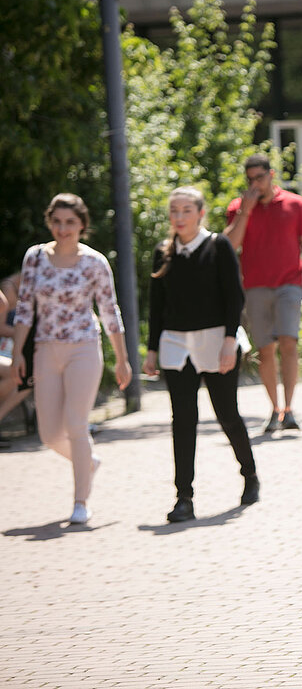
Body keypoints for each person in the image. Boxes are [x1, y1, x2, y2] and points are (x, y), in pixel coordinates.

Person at [11, 193, 133, 524]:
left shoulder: (94, 263)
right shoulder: (35, 257)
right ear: (50, 223)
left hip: (83, 348)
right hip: (44, 349)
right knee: (50, 434)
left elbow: (110, 311)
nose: (63, 229)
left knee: (76, 425)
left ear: (82, 224)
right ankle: (87, 462)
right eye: (57, 222)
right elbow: (24, 307)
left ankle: (81, 501)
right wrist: (19, 355)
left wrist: (121, 360)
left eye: (70, 222)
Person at [143, 187, 259, 523]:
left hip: (216, 340)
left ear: (200, 213)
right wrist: (152, 350)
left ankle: (249, 475)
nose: (179, 217)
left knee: (227, 415)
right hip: (176, 346)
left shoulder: (218, 246)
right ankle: (184, 497)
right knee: (183, 420)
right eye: (174, 211)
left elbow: (234, 297)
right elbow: (157, 307)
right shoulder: (163, 253)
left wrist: (228, 340)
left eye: (186, 210)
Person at [225, 154, 302, 434]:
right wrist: (246, 210)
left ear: (272, 175)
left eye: (260, 177)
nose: (256, 184)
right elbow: (230, 245)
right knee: (265, 350)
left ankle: (290, 409)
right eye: (250, 179)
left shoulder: (295, 204)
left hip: (289, 284)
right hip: (255, 287)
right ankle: (275, 409)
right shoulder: (239, 207)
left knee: (289, 343)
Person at [0, 274, 32, 434]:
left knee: (27, 377)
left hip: (11, 351)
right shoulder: (8, 287)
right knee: (23, 376)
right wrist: (23, 334)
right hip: (4, 349)